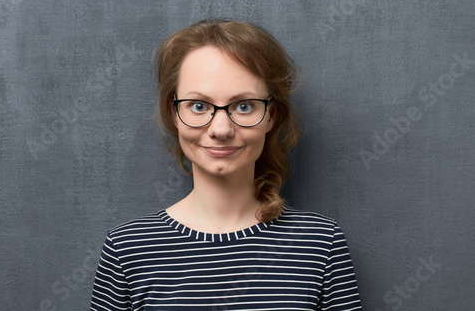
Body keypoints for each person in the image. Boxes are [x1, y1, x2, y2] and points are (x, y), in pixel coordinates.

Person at [90, 19, 362, 310]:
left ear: (271, 115)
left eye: (244, 106)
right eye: (199, 106)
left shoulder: (321, 244)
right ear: (173, 113)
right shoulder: (127, 249)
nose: (221, 129)